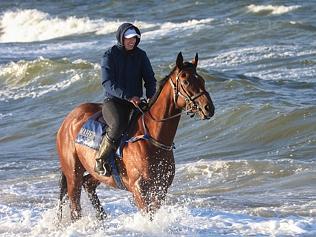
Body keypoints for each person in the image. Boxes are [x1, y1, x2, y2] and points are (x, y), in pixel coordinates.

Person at [95, 22, 157, 176]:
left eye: (135, 38)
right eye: (128, 38)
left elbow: (150, 79)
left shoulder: (141, 55)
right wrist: (128, 96)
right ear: (121, 38)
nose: (132, 41)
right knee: (118, 123)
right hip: (114, 102)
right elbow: (107, 83)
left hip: (136, 103)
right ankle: (100, 159)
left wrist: (151, 96)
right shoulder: (109, 55)